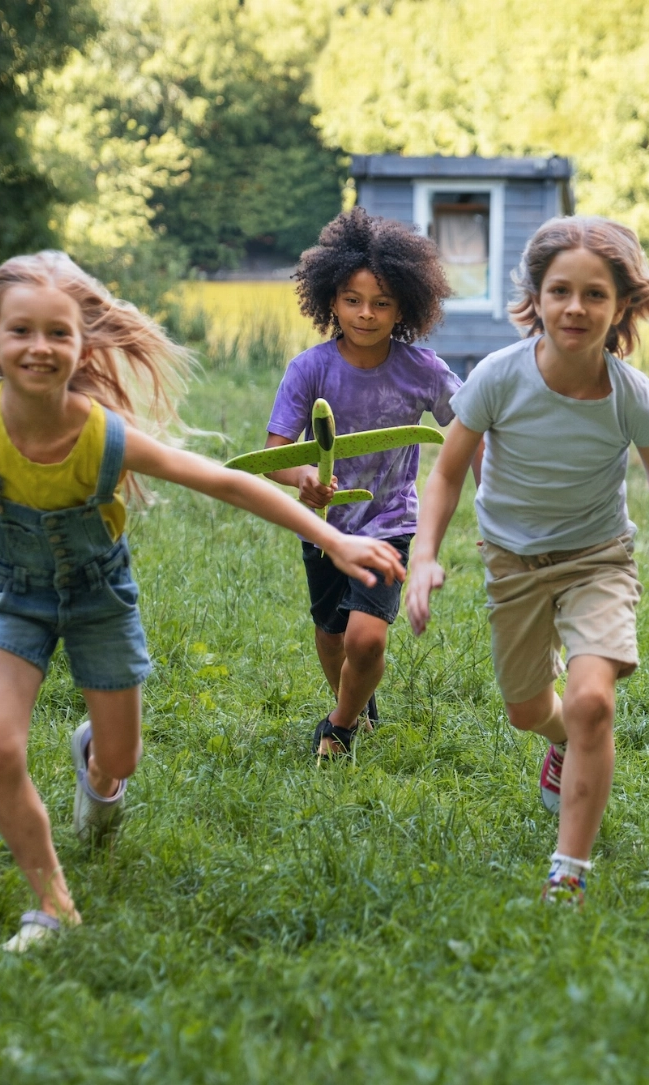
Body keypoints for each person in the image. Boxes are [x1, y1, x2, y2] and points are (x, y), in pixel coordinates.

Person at [0, 251, 405, 950]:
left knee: (123, 758)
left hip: (98, 601)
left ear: (80, 347)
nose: (39, 347)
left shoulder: (100, 431)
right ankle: (52, 904)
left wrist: (336, 539)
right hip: (16, 597)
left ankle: (97, 765)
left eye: (58, 333)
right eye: (21, 331)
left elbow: (224, 482)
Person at [405, 216, 649, 908]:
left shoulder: (631, 394)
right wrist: (423, 556)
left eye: (595, 294)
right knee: (528, 707)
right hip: (513, 562)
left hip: (599, 559)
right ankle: (561, 738)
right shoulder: (499, 378)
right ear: (534, 297)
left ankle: (568, 869)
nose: (576, 307)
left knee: (594, 701)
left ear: (622, 304)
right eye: (560, 290)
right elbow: (446, 473)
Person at [262, 207, 462, 759]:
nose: (366, 314)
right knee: (331, 635)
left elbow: (467, 428)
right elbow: (274, 457)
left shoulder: (423, 369)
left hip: (390, 523)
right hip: (324, 525)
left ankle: (339, 728)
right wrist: (302, 476)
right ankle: (354, 703)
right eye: (352, 300)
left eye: (381, 303)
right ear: (330, 299)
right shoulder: (308, 369)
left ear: (405, 307)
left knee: (365, 636)